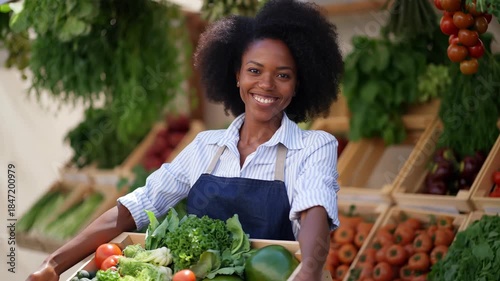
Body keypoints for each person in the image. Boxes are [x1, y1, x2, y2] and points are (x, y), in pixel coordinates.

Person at [27, 0, 343, 280]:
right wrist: (54, 264)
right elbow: (138, 205)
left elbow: (313, 209)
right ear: (236, 75)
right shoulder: (205, 146)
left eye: (283, 75)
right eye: (254, 70)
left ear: (299, 84)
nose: (267, 84)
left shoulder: (314, 146)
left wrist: (309, 271)